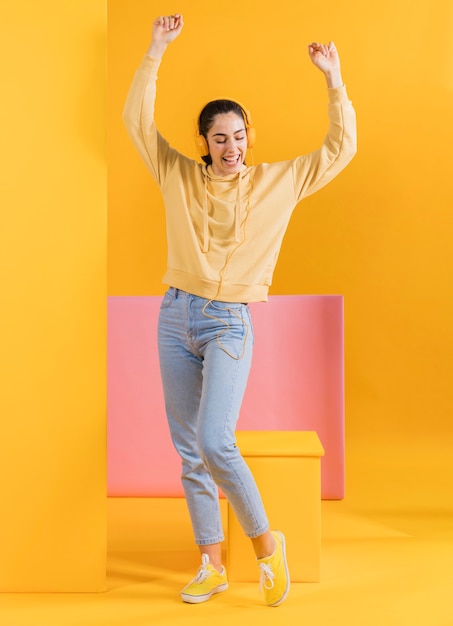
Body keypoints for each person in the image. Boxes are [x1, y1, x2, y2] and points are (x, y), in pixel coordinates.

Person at [123, 13, 356, 607]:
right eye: (219, 137)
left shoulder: (281, 181)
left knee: (214, 439)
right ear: (204, 142)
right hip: (175, 315)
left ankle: (265, 545)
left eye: (239, 136)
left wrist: (333, 80)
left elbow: (341, 147)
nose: (231, 147)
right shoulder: (176, 173)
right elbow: (136, 121)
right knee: (186, 448)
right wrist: (156, 48)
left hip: (229, 322)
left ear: (250, 137)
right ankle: (211, 564)